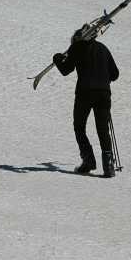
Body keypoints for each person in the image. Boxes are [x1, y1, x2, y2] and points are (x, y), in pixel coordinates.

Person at [53, 25, 119, 178]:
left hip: (85, 93)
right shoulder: (103, 48)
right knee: (103, 129)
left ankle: (88, 160)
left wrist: (56, 59)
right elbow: (115, 74)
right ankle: (108, 166)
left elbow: (65, 69)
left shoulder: (77, 47)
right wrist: (102, 76)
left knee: (79, 126)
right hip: (104, 94)